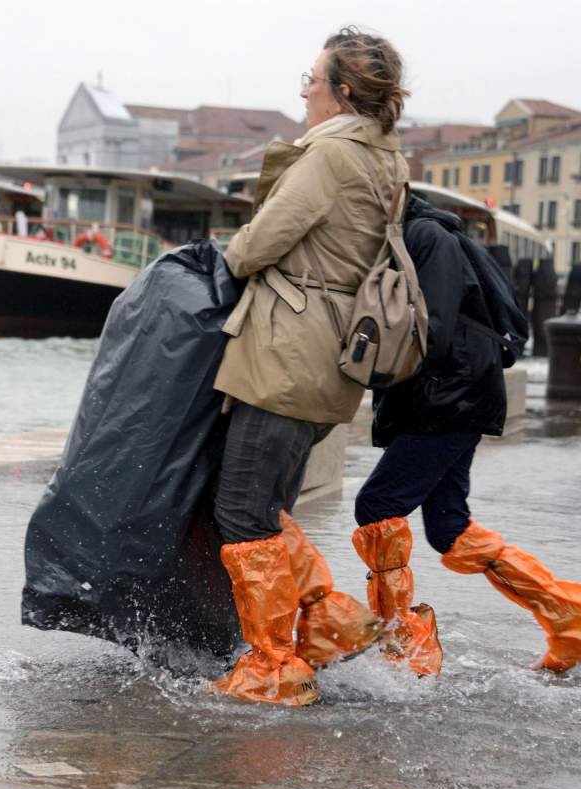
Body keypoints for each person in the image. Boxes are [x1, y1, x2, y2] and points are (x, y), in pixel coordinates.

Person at [210, 26, 410, 706]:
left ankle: (272, 664)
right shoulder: (388, 160)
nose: (303, 90)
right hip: (331, 355)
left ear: (342, 91)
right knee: (264, 502)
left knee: (242, 509)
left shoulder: (329, 159)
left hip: (289, 352)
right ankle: (326, 622)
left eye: (313, 80)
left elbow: (262, 241)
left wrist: (227, 256)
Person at [350, 194, 581, 677]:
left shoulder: (425, 237)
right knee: (448, 527)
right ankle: (572, 611)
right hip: (459, 390)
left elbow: (430, 327)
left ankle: (404, 645)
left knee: (377, 507)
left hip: (447, 394)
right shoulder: (429, 234)